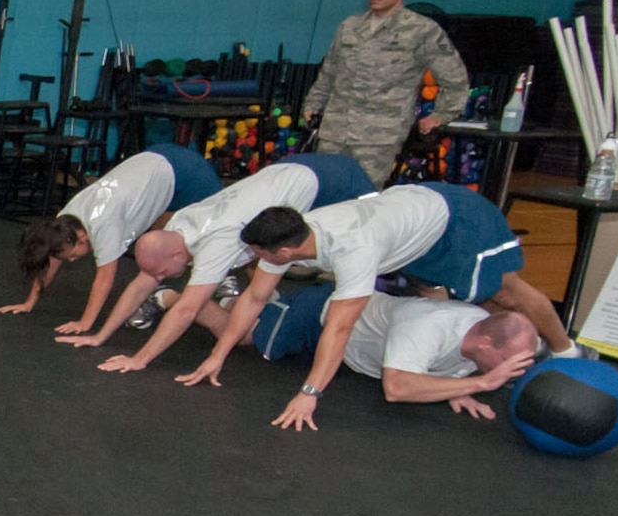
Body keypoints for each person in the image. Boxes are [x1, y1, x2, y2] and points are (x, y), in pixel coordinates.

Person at [176, 183, 578, 430]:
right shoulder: (294, 233)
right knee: (437, 306)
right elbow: (255, 296)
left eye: (256, 253)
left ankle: (565, 351)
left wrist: (309, 393)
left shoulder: (354, 251)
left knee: (505, 294)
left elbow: (339, 328)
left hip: (455, 223)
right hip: (410, 223)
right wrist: (217, 356)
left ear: (283, 251)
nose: (251, 257)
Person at [56, 153, 377, 370]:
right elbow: (141, 282)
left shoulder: (216, 245)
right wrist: (101, 336)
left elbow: (187, 310)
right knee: (262, 275)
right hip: (290, 171)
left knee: (373, 252)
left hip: (334, 182)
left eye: (164, 274)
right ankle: (255, 298)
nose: (160, 275)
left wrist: (140, 359)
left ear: (178, 256)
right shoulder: (180, 224)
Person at [183, 283, 538, 424]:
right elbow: (396, 388)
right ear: (485, 345)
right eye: (512, 363)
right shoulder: (427, 328)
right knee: (242, 336)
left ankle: (243, 299)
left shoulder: (482, 328)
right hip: (321, 318)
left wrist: (459, 387)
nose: (516, 372)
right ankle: (177, 299)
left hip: (358, 343)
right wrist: (480, 384)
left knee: (253, 317)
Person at [0, 145, 220, 333]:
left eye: (73, 255)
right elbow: (53, 258)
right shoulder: (66, 221)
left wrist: (85, 323)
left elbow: (104, 279)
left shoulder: (104, 225)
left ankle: (223, 277)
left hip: (190, 173)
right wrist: (30, 302)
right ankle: (162, 290)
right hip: (158, 161)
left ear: (83, 238)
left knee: (225, 237)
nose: (72, 260)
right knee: (164, 236)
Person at [301, 0, 469, 187]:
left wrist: (442, 114)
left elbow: (454, 77)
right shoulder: (350, 27)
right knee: (325, 191)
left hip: (379, 137)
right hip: (335, 130)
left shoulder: (422, 30)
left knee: (362, 199)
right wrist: (314, 103)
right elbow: (329, 72)